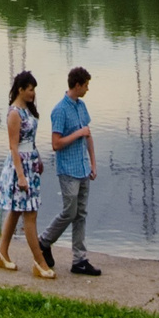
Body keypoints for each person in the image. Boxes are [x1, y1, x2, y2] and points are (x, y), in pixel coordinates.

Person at [39, 66, 101, 276]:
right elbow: (56, 144)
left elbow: (88, 136)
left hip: (83, 168)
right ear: (77, 85)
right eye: (86, 85)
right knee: (69, 212)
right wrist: (78, 133)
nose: (87, 89)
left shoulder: (81, 106)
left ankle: (79, 259)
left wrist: (93, 163)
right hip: (68, 170)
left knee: (81, 214)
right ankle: (44, 241)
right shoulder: (59, 110)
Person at [0, 69, 52, 278]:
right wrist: (20, 176)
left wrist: (39, 159)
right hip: (20, 166)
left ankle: (2, 252)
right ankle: (40, 262)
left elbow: (30, 141)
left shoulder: (27, 110)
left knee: (17, 210)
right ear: (20, 90)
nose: (33, 93)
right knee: (30, 213)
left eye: (34, 89)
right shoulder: (14, 114)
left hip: (31, 163)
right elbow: (14, 146)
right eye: (30, 89)